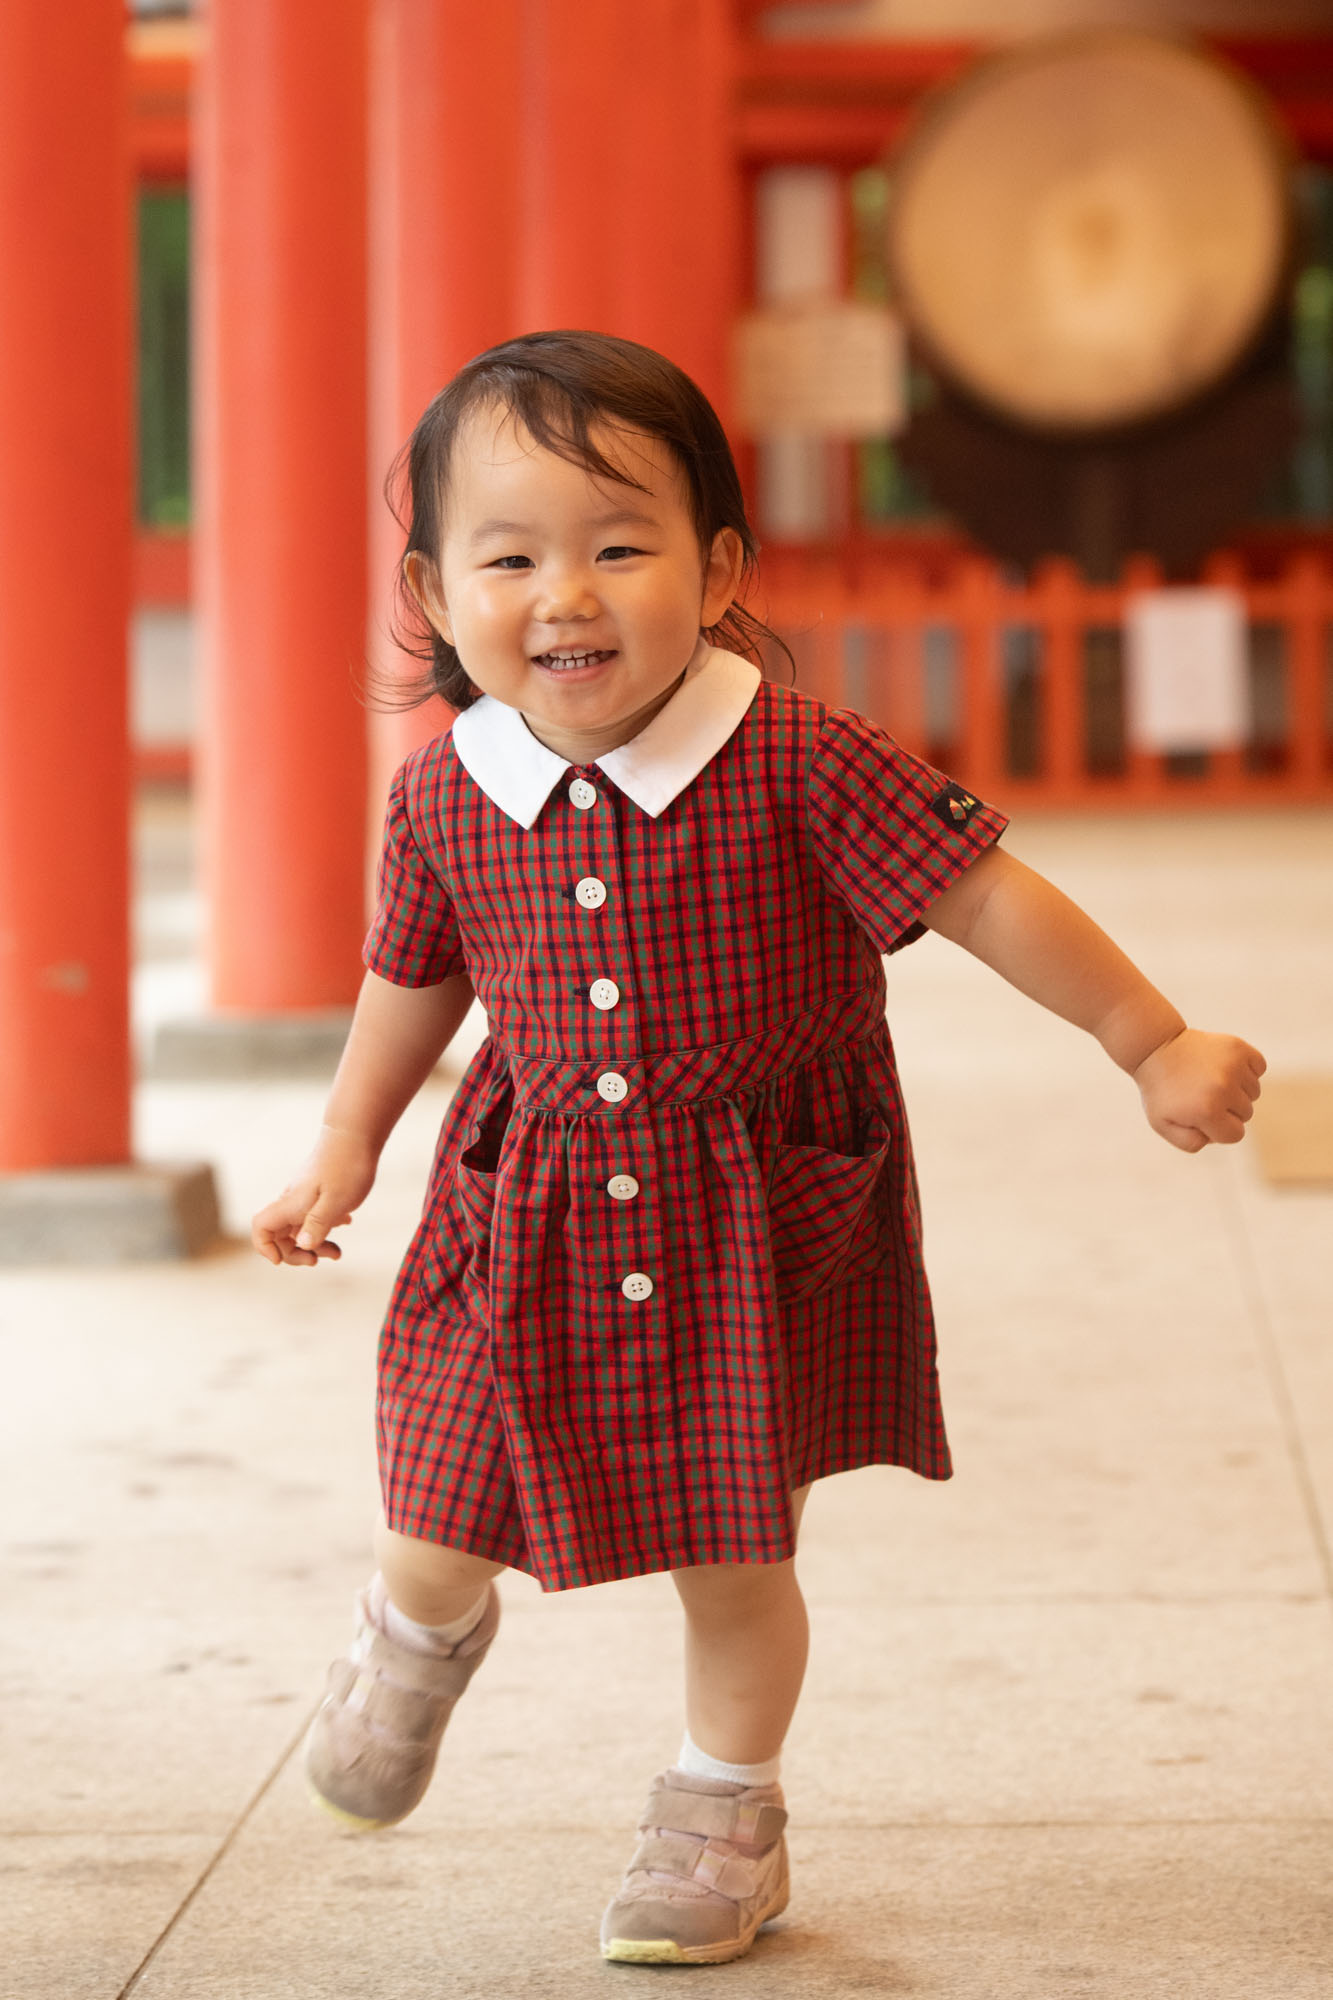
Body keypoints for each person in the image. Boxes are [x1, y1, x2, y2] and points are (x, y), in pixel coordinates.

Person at [251, 330, 1265, 1968]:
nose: (565, 594)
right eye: (510, 557)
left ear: (717, 569)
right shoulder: (444, 789)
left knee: (733, 1546)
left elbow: (985, 893)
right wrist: (343, 1146)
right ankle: (414, 1638)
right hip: (522, 1205)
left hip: (747, 1216)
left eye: (619, 545)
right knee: (439, 1488)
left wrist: (1149, 1039)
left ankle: (724, 1812)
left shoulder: (797, 756)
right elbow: (412, 973)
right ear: (435, 597)